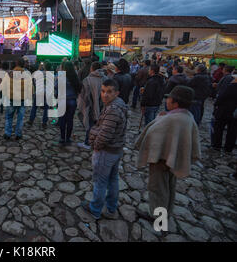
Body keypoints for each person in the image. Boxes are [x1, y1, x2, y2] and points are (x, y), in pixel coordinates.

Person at [135, 86, 200, 224]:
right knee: (169, 187)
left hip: (161, 159)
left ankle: (158, 219)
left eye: (169, 98)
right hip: (173, 159)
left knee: (158, 188)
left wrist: (159, 119)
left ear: (175, 102)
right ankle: (165, 214)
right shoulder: (187, 117)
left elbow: (153, 133)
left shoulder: (172, 120)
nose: (167, 101)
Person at [81, 79, 128, 220]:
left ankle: (95, 209)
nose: (105, 95)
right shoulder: (119, 104)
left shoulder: (113, 109)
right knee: (113, 180)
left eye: (109, 92)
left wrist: (95, 145)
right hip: (116, 149)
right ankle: (111, 208)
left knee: (100, 182)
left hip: (106, 151)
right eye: (102, 91)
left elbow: (105, 134)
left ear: (116, 93)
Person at [77, 61, 107, 150]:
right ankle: (97, 141)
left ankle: (88, 142)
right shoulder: (105, 78)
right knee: (99, 124)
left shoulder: (87, 80)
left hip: (90, 106)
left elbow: (83, 95)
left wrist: (83, 105)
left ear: (92, 69)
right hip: (102, 105)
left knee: (89, 125)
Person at [3, 58, 30, 140]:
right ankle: (18, 134)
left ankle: (7, 133)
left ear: (16, 64)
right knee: (20, 118)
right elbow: (31, 88)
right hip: (21, 99)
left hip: (11, 99)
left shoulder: (10, 74)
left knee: (9, 116)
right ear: (23, 65)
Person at [57, 61, 81, 145]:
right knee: (70, 120)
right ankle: (68, 138)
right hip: (72, 100)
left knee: (62, 120)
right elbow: (79, 88)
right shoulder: (75, 77)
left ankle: (62, 138)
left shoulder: (61, 76)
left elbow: (56, 88)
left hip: (62, 100)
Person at [212, 75, 237, 153]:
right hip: (235, 113)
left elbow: (222, 97)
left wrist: (216, 104)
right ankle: (228, 148)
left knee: (219, 128)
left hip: (225, 110)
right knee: (232, 131)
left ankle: (217, 146)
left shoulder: (231, 86)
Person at [27, 61, 51, 129]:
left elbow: (34, 80)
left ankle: (31, 120)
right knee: (46, 108)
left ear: (45, 66)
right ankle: (44, 123)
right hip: (46, 93)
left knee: (34, 106)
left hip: (38, 91)